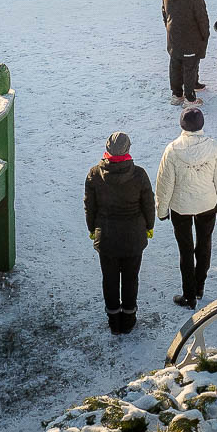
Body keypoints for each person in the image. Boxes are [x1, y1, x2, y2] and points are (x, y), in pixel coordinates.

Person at [154, 106, 217, 311]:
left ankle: (189, 295)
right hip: (207, 205)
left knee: (185, 250)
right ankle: (199, 287)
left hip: (181, 207)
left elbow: (164, 183)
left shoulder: (172, 149)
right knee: (204, 245)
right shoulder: (214, 148)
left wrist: (161, 211)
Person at [86, 131, 156, 334]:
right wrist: (149, 227)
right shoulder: (139, 174)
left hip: (106, 237)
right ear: (128, 150)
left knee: (109, 278)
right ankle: (129, 317)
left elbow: (90, 206)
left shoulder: (94, 174)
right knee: (131, 278)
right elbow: (148, 205)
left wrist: (92, 229)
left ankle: (113, 319)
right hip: (133, 238)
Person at [162, 0, 211, 105]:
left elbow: (164, 12)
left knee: (175, 63)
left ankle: (177, 94)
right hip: (190, 38)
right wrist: (205, 35)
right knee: (190, 66)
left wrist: (169, 28)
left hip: (173, 37)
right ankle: (189, 98)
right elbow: (202, 19)